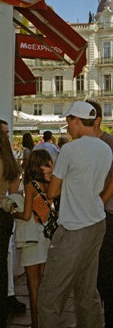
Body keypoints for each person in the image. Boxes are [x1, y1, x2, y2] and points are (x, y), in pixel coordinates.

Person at [37, 101, 112, 328]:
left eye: (69, 120)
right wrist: (62, 177)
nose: (67, 126)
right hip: (96, 223)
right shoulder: (105, 148)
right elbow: (83, 179)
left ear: (77, 121)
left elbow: (51, 193)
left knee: (49, 298)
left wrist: (55, 177)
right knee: (87, 291)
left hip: (73, 228)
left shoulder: (70, 149)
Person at [87, 99, 113, 328]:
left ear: (97, 120)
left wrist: (98, 204)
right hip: (87, 217)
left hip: (104, 215)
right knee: (90, 273)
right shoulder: (82, 143)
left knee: (108, 272)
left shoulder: (110, 141)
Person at [9, 149, 53, 328]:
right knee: (43, 282)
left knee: (33, 285)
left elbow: (27, 215)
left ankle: (36, 323)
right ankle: (46, 321)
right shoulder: (50, 185)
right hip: (45, 237)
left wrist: (13, 212)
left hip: (31, 239)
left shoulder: (30, 185)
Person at [0, 119, 26, 319]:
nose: (8, 136)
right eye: (5, 133)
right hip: (3, 216)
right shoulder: (9, 159)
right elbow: (14, 190)